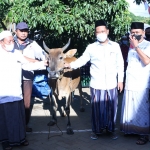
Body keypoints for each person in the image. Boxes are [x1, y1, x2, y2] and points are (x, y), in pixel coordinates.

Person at [65, 20, 124, 140]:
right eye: (98, 32)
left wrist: (120, 80)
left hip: (112, 83)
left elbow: (120, 64)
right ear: (95, 33)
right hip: (97, 84)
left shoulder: (116, 46)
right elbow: (82, 59)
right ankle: (96, 131)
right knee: (97, 110)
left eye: (103, 31)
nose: (101, 34)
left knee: (112, 109)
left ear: (107, 31)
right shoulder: (91, 47)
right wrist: (70, 65)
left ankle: (111, 130)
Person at [0, 31, 47, 150]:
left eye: (12, 40)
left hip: (16, 93)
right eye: (9, 41)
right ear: (1, 42)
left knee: (18, 118)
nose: (12, 43)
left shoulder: (16, 53)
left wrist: (42, 64)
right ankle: (5, 141)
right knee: (5, 120)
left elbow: (27, 65)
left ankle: (20, 139)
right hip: (3, 93)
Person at [120, 22, 150, 145]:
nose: (135, 34)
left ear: (143, 32)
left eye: (137, 32)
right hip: (131, 83)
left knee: (142, 110)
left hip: (142, 84)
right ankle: (132, 130)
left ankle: (144, 135)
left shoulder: (148, 45)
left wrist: (137, 46)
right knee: (131, 109)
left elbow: (147, 61)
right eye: (133, 33)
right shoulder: (131, 47)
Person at [14, 22, 46, 132]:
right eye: (21, 31)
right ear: (16, 31)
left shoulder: (33, 44)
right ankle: (14, 125)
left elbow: (43, 56)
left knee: (26, 104)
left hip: (27, 78)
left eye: (25, 31)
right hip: (12, 79)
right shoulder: (10, 43)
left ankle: (24, 125)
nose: (23, 33)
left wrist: (47, 60)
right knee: (13, 102)